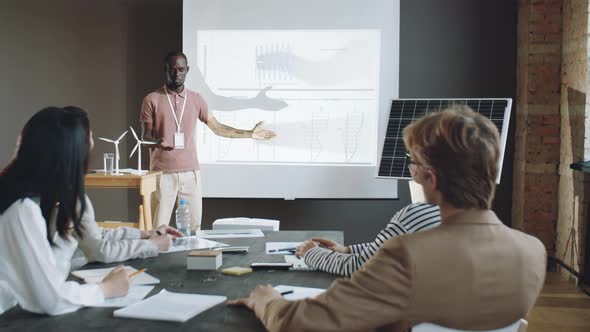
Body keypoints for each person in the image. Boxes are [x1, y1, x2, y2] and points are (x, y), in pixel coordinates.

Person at [228, 105, 547, 331]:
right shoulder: (533, 251)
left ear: (431, 179)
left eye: (413, 162)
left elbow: (299, 323)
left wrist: (265, 301)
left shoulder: (407, 255)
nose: (410, 168)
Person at [0, 107, 130, 315]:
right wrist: (105, 289)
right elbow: (52, 300)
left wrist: (65, 234)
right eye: (90, 141)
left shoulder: (20, 200)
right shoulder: (21, 211)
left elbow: (47, 280)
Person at [140, 51, 277, 230]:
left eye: (181, 69)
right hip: (162, 173)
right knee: (158, 227)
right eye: (172, 70)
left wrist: (250, 133)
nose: (177, 74)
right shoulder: (152, 99)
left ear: (187, 70)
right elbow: (145, 136)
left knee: (194, 227)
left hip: (191, 173)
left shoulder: (196, 99)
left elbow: (218, 128)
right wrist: (158, 141)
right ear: (165, 70)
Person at [296, 202, 440, 277]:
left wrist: (311, 252)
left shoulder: (415, 214)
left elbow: (362, 267)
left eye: (415, 163)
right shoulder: (453, 209)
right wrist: (348, 250)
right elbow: (394, 247)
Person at [69, 194, 183, 269]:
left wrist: (147, 234)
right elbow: (100, 251)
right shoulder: (73, 198)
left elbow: (96, 234)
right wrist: (151, 245)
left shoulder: (70, 194)